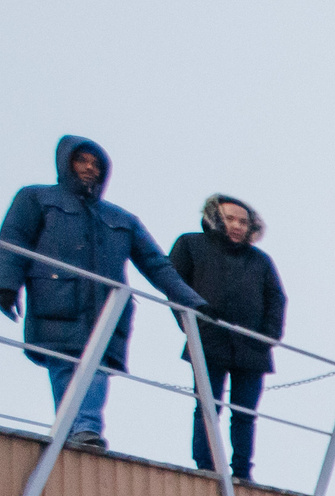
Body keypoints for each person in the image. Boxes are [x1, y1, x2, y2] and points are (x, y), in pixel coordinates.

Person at [0, 136, 206, 451]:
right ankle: (79, 430)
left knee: (94, 369)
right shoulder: (36, 198)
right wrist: (6, 283)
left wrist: (191, 301)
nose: (89, 168)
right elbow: (13, 239)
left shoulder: (121, 219)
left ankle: (82, 431)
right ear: (66, 163)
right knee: (66, 365)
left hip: (107, 310)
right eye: (82, 160)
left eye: (96, 164)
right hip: (57, 301)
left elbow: (156, 264)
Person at [167, 195, 285, 484]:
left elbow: (276, 299)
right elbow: (173, 285)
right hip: (208, 339)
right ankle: (206, 467)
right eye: (230, 219)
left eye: (243, 221)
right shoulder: (191, 245)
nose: (237, 226)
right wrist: (191, 324)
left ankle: (243, 472)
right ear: (214, 218)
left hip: (252, 347)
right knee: (208, 406)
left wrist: (267, 338)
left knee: (245, 413)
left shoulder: (260, 260)